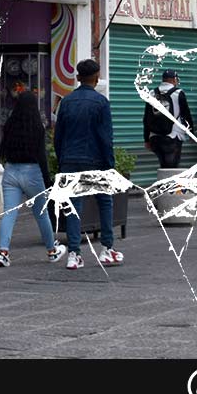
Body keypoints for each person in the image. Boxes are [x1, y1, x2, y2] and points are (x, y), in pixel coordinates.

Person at [54, 59, 121, 270]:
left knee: (73, 206)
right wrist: (110, 164)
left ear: (78, 77)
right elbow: (105, 137)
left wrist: (62, 159)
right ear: (97, 77)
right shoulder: (101, 103)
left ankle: (74, 254)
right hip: (96, 160)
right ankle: (106, 249)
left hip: (70, 160)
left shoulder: (66, 102)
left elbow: (58, 136)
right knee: (105, 202)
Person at [0, 92, 67, 268]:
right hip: (32, 172)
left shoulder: (10, 124)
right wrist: (47, 179)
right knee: (42, 215)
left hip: (10, 171)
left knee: (9, 214)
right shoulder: (37, 127)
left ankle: (3, 252)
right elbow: (42, 156)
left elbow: (3, 151)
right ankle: (52, 251)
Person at [143, 69, 193, 169]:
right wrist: (191, 132)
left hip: (155, 137)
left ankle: (163, 184)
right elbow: (186, 114)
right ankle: (167, 185)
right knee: (172, 168)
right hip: (173, 136)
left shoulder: (152, 93)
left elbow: (146, 117)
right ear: (174, 80)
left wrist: (146, 139)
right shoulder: (178, 93)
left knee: (163, 166)